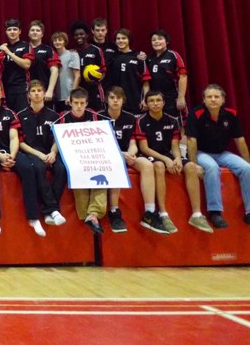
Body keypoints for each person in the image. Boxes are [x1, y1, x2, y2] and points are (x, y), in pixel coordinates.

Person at [0, 80, 44, 237]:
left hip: (9, 151)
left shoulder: (10, 113)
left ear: (1, 93)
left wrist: (12, 155)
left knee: (28, 167)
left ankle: (33, 217)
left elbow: (14, 138)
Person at [136, 91, 212, 233]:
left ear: (164, 103)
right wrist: (166, 160)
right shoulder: (141, 121)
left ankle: (196, 214)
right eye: (151, 101)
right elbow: (144, 148)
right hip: (152, 154)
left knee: (189, 166)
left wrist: (176, 158)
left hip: (167, 153)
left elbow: (175, 146)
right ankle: (163, 214)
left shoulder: (172, 120)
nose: (155, 103)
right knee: (158, 166)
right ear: (146, 104)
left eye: (158, 100)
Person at [98, 86, 170, 235]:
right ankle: (114, 211)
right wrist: (120, 154)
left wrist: (131, 153)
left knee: (147, 165)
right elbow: (98, 144)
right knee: (117, 164)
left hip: (126, 154)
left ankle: (149, 212)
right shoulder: (98, 117)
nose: (115, 100)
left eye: (118, 98)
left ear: (123, 100)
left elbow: (133, 143)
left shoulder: (130, 118)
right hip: (106, 155)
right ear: (106, 100)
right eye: (112, 97)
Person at [187, 84, 250, 228]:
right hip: (202, 152)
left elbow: (240, 140)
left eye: (216, 97)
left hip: (222, 153)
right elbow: (191, 141)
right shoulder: (195, 114)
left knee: (247, 168)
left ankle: (249, 212)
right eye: (209, 97)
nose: (213, 99)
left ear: (223, 100)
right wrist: (194, 164)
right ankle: (215, 212)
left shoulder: (231, 114)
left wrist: (247, 162)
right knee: (212, 167)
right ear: (204, 100)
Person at [55, 87, 107, 234]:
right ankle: (87, 214)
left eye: (82, 103)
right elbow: (58, 141)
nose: (79, 106)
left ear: (87, 103)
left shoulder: (94, 116)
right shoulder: (63, 117)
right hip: (71, 156)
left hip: (93, 154)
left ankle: (94, 213)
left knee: (104, 172)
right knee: (76, 171)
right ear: (69, 103)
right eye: (76, 103)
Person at [17, 80, 67, 227]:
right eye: (33, 91)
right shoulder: (20, 115)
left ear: (44, 93)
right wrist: (39, 155)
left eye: (39, 90)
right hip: (31, 152)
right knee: (39, 168)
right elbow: (20, 143)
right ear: (28, 95)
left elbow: (58, 138)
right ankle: (53, 210)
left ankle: (48, 210)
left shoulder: (54, 115)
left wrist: (53, 152)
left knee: (61, 169)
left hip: (50, 151)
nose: (37, 93)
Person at [147, 30, 188, 123]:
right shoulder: (149, 58)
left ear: (167, 41)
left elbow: (183, 76)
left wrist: (181, 97)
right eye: (153, 40)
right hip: (155, 98)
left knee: (177, 124)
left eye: (160, 39)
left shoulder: (173, 55)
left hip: (172, 97)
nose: (156, 41)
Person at [0, 19, 34, 113]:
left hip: (21, 87)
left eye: (15, 29)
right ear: (6, 32)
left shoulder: (25, 46)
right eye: (9, 30)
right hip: (6, 88)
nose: (12, 32)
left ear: (19, 31)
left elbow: (26, 64)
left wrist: (9, 52)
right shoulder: (3, 47)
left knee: (22, 115)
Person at [107, 29, 150, 114]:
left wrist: (145, 99)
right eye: (118, 39)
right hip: (116, 102)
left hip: (135, 101)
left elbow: (146, 82)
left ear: (129, 40)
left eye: (124, 38)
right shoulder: (112, 57)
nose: (121, 41)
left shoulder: (139, 57)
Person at [70, 20, 106, 112]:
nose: (79, 36)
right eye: (76, 35)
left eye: (81, 34)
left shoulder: (96, 50)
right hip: (79, 89)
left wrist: (96, 80)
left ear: (87, 35)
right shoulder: (73, 53)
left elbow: (103, 70)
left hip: (94, 89)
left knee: (99, 113)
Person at [27, 20, 59, 102]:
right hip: (25, 91)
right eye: (32, 30)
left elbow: (54, 71)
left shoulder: (48, 50)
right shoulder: (23, 48)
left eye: (38, 30)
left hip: (44, 91)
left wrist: (50, 90)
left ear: (42, 34)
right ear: (28, 33)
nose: (35, 32)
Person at [51, 31, 80, 114]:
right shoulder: (52, 56)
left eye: (60, 40)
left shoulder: (72, 54)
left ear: (65, 41)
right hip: (56, 95)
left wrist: (72, 95)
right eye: (55, 40)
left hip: (68, 94)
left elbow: (77, 76)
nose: (57, 42)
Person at [91, 17, 118, 90]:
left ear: (106, 31)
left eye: (103, 30)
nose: (100, 33)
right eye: (97, 30)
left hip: (110, 86)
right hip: (92, 86)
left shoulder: (113, 46)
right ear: (92, 31)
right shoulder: (88, 46)